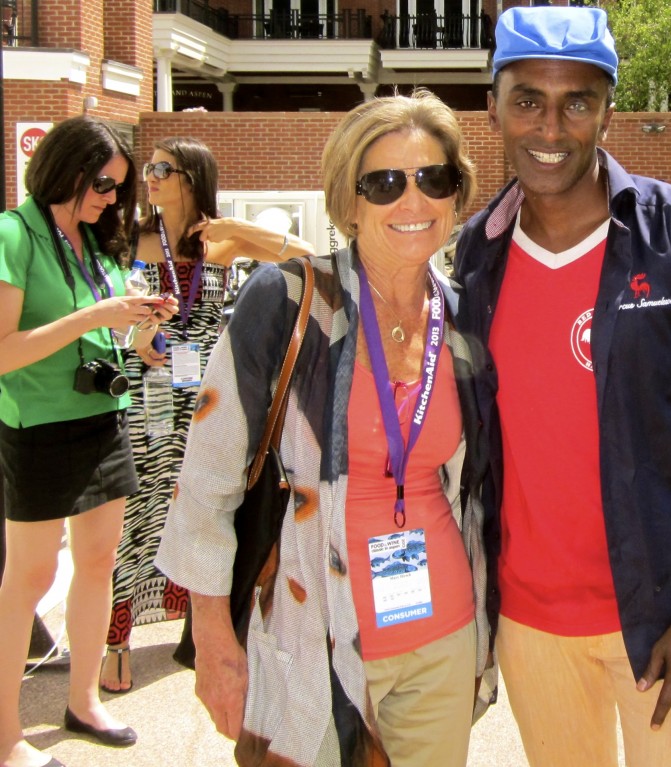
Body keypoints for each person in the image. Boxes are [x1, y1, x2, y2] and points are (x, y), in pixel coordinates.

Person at [453, 7, 671, 767]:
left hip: (665, 621)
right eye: (528, 99)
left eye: (578, 102)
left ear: (609, 111)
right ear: (494, 106)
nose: (551, 128)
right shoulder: (477, 252)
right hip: (530, 624)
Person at [155, 91, 496, 767]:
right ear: (349, 199)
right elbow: (206, 483)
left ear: (458, 196)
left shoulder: (464, 322)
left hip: (443, 643)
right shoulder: (288, 301)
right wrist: (216, 640)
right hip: (311, 639)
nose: (412, 200)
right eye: (385, 183)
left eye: (434, 179)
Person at [100, 136, 315, 694]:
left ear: (192, 177)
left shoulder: (218, 244)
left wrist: (240, 233)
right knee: (132, 519)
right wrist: (134, 332)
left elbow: (307, 255)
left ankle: (197, 625)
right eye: (149, 168)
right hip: (143, 400)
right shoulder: (130, 243)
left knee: (201, 509)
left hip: (202, 405)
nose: (150, 176)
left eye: (163, 168)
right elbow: (102, 312)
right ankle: (116, 638)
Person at [0, 115, 178, 767]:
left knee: (98, 560)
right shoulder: (12, 234)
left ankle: (83, 700)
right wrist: (96, 315)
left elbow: (103, 334)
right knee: (30, 575)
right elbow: (4, 351)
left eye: (118, 187)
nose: (111, 198)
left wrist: (138, 334)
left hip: (104, 418)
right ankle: (5, 735)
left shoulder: (99, 243)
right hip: (37, 426)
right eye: (103, 184)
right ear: (66, 170)